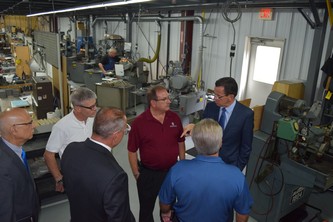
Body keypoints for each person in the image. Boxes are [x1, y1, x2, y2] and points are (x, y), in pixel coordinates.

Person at [159, 119, 253, 222]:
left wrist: (165, 212)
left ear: (195, 144)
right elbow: (242, 213)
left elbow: (165, 202)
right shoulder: (236, 176)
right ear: (221, 143)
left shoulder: (177, 170)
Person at [61, 107, 135, 222]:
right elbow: (119, 218)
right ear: (115, 136)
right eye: (125, 131)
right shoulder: (115, 176)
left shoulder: (71, 149)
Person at [128, 85, 186, 222]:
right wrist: (137, 174)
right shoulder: (139, 123)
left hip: (171, 172)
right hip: (149, 174)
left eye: (168, 97)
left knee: (168, 209)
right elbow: (132, 150)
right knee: (146, 210)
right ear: (153, 103)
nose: (169, 101)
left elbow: (181, 142)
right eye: (164, 99)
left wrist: (182, 165)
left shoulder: (175, 118)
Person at [182, 77, 254, 171]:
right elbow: (204, 131)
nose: (215, 98)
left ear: (230, 97)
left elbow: (246, 147)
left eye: (219, 96)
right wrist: (195, 127)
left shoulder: (245, 115)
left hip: (229, 165)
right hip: (206, 162)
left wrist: (237, 169)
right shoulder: (211, 107)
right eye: (214, 94)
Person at [44, 87, 97, 192]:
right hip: (75, 174)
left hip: (93, 169)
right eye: (91, 107)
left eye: (95, 104)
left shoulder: (93, 119)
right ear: (78, 108)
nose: (95, 109)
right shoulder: (62, 127)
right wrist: (59, 179)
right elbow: (48, 155)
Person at [0, 108, 40, 222]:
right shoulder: (3, 165)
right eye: (29, 123)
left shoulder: (15, 150)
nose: (34, 126)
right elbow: (4, 210)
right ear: (13, 129)